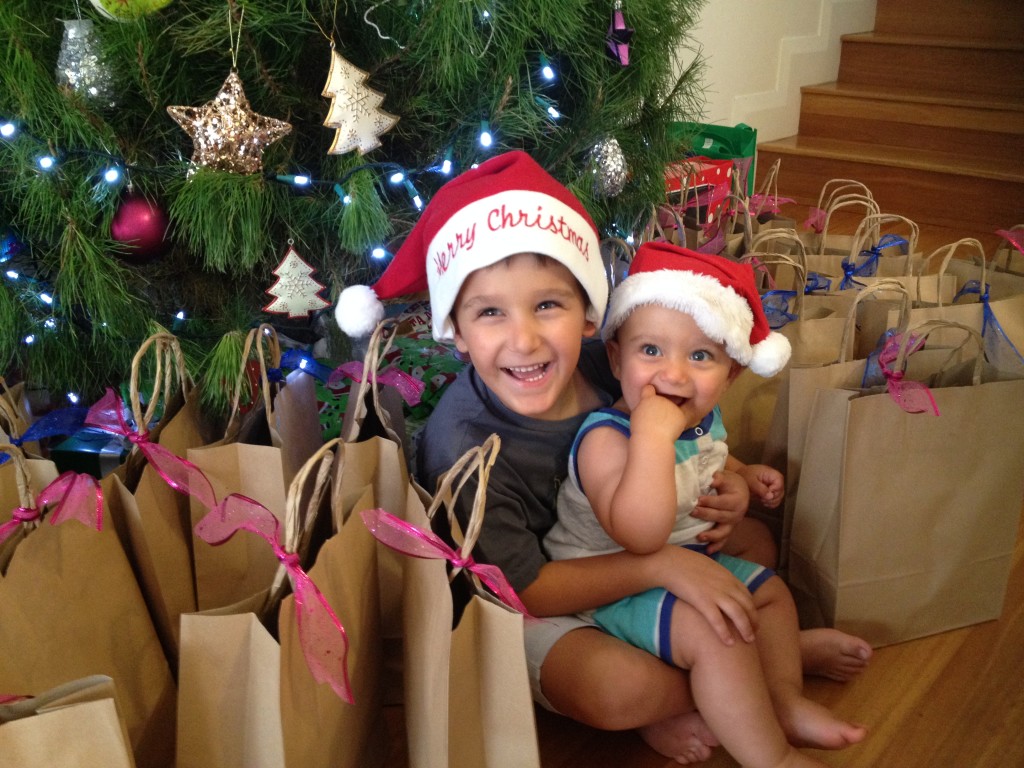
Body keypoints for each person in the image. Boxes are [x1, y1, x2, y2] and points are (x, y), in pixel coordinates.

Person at [335, 150, 869, 762]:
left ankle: (764, 682)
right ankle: (735, 677)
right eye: (489, 312)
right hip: (544, 603)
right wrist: (659, 567)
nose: (525, 340)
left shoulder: (617, 363)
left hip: (639, 556)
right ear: (454, 329)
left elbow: (696, 436)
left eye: (547, 306)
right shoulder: (463, 447)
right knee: (619, 689)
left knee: (753, 543)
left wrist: (736, 483)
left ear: (591, 316)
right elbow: (525, 591)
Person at [544, 242, 866, 766]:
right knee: (721, 633)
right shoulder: (608, 437)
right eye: (651, 350)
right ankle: (772, 756)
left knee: (771, 594)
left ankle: (783, 700)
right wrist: (649, 438)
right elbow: (640, 534)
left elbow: (709, 456)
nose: (673, 375)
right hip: (607, 584)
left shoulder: (701, 420)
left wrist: (742, 477)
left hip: (682, 568)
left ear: (731, 374)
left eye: (700, 357)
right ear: (616, 356)